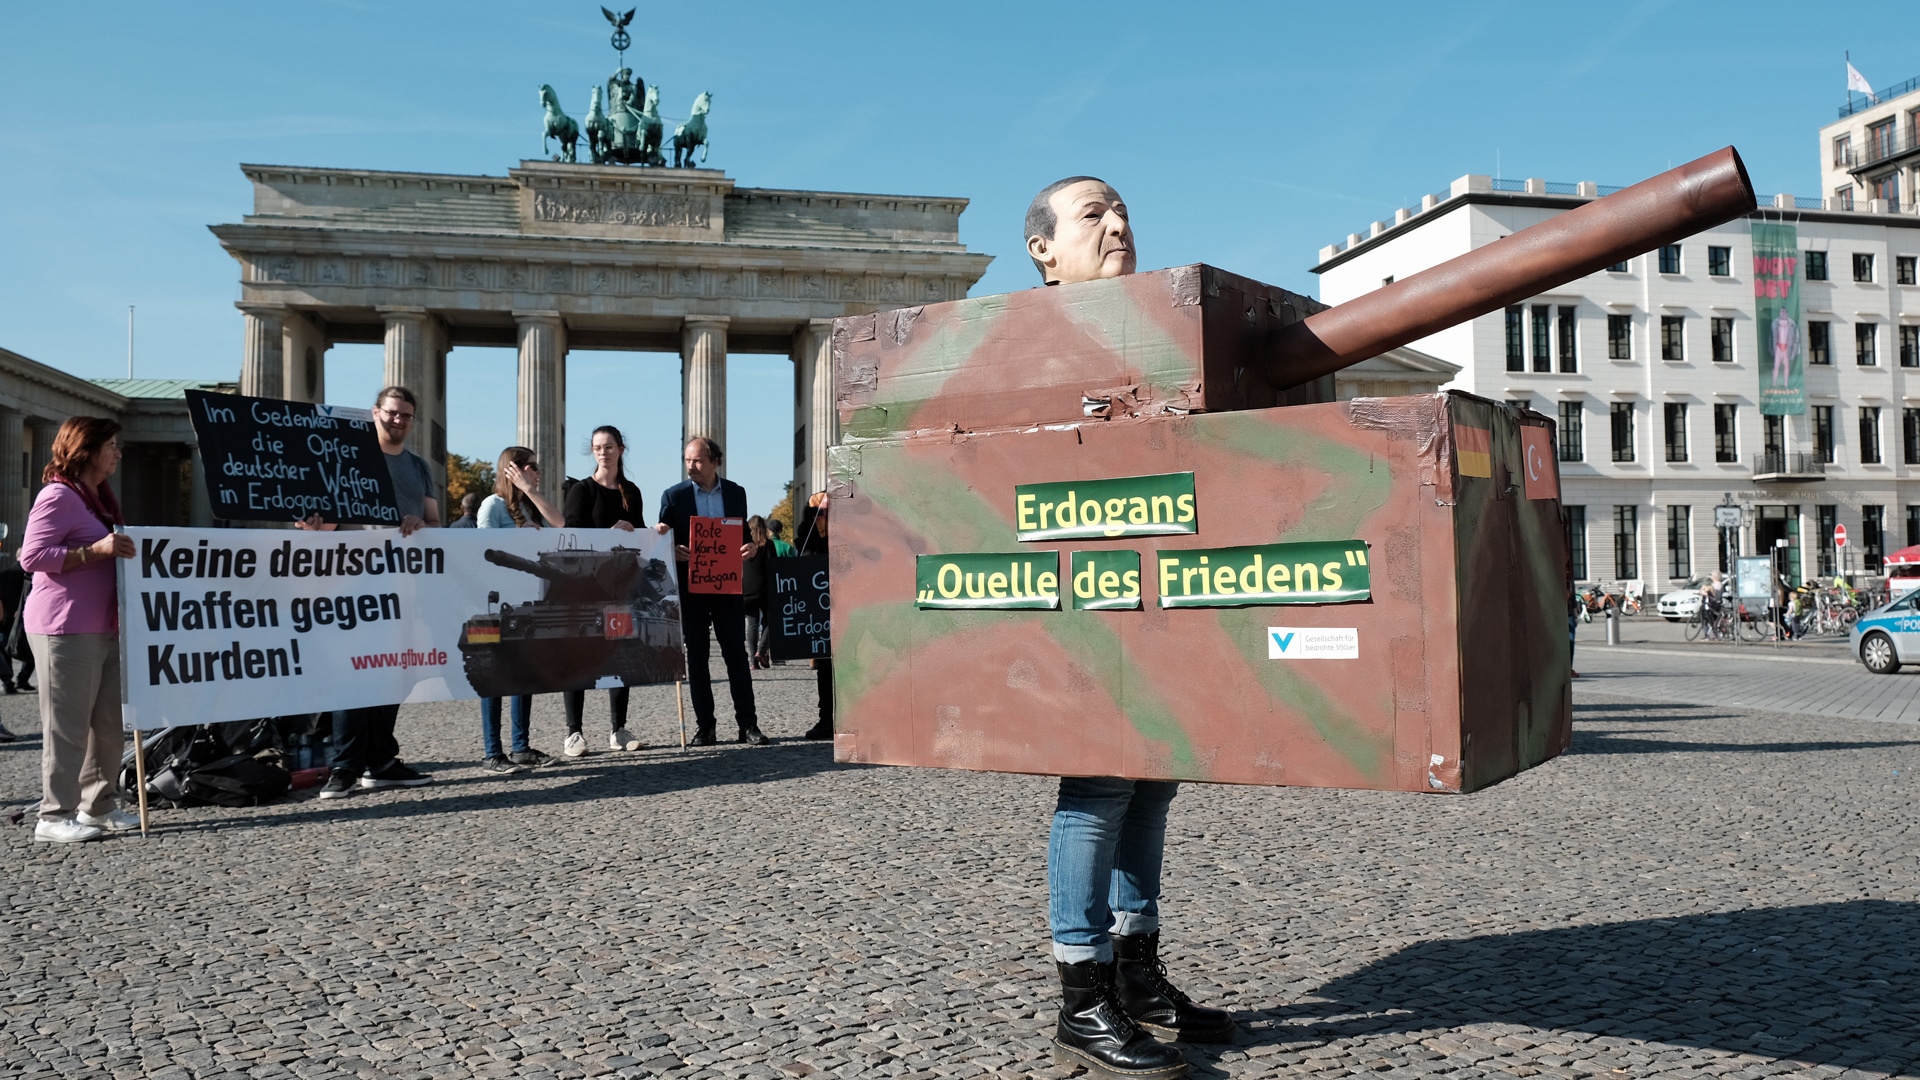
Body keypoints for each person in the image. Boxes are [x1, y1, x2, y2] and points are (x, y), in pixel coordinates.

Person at [1026, 176, 1230, 1080]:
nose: (1117, 224)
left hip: (1160, 585)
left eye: (1121, 210)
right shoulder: (1027, 343)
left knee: (1152, 782)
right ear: (1043, 250)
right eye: (1091, 214)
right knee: (1100, 784)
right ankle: (1082, 994)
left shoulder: (1154, 331)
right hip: (1083, 590)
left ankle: (1137, 975)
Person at [301, 386, 440, 800]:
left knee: (393, 671)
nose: (398, 421)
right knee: (352, 673)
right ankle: (344, 765)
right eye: (392, 413)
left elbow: (436, 522)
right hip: (352, 584)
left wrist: (421, 524)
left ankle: (381, 760)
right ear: (374, 413)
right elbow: (320, 524)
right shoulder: (345, 460)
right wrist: (312, 527)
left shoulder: (418, 466)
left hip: (402, 584)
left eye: (406, 416)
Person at [20, 417, 138, 842]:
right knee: (66, 726)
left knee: (108, 724)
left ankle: (98, 805)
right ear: (86, 449)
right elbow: (31, 556)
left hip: (103, 626)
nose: (118, 453)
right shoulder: (58, 496)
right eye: (111, 445)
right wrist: (95, 551)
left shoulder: (97, 499)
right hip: (63, 627)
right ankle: (53, 815)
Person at [654, 437, 765, 746]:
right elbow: (660, 537)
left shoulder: (735, 493)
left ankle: (748, 725)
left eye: (698, 460)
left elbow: (744, 537)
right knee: (698, 659)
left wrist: (750, 549)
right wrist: (671, 548)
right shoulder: (673, 496)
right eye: (687, 460)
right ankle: (706, 727)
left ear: (715, 461)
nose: (691, 466)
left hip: (727, 586)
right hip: (691, 589)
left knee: (736, 657)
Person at [560, 424, 647, 755]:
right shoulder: (581, 490)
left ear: (620, 450)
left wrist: (656, 531)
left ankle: (618, 729)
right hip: (584, 586)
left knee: (620, 656)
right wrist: (609, 532)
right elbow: (572, 536)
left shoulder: (632, 491)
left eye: (609, 446)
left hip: (620, 587)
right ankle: (574, 732)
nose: (603, 452)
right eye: (597, 447)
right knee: (580, 657)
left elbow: (639, 536)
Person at [475, 447, 562, 772]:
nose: (538, 471)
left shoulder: (529, 506)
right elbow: (478, 550)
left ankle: (521, 746)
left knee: (524, 673)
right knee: (493, 677)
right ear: (515, 468)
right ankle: (492, 751)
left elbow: (561, 525)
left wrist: (530, 490)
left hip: (527, 603)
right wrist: (516, 536)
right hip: (493, 603)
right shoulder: (492, 505)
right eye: (533, 467)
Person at [795, 493, 833, 741]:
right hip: (822, 597)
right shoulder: (812, 513)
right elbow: (804, 549)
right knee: (824, 663)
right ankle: (826, 718)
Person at [0, 532, 33, 695]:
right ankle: (22, 679)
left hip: (5, 618)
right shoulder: (30, 574)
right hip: (23, 617)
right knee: (31, 649)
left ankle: (9, 682)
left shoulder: (4, 572)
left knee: (5, 649)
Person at [743, 515, 775, 668]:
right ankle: (761, 651)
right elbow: (774, 566)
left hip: (746, 588)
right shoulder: (768, 545)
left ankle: (751, 660)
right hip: (766, 588)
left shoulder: (743, 546)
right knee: (771, 620)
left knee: (751, 623)